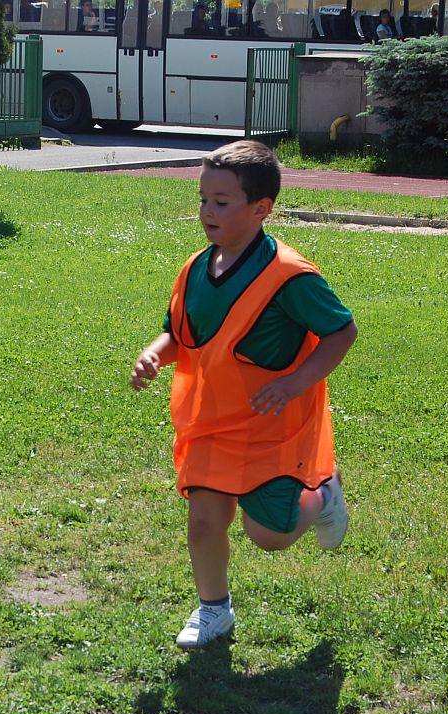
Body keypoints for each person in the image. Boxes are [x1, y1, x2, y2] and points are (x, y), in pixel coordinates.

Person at [130, 140, 357, 649]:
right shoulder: (195, 268)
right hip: (211, 422)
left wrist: (295, 382)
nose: (207, 211)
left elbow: (342, 331)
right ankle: (214, 610)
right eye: (203, 199)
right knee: (204, 521)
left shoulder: (290, 276)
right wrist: (154, 353)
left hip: (271, 428)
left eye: (221, 201)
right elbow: (179, 334)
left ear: (261, 209)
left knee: (269, 536)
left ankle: (323, 493)